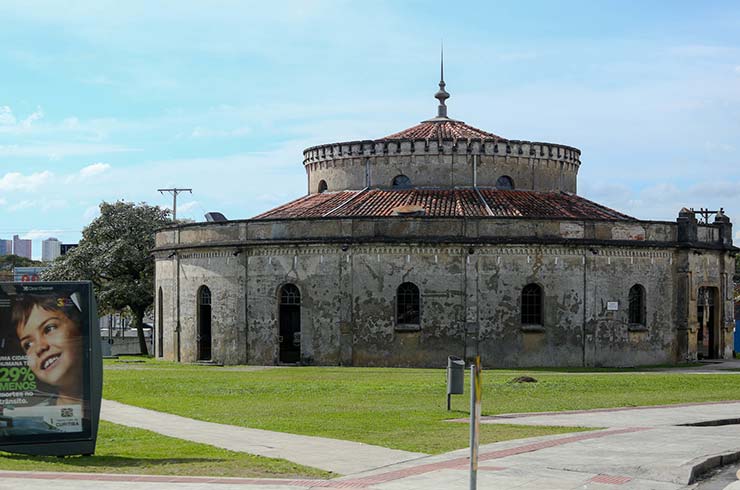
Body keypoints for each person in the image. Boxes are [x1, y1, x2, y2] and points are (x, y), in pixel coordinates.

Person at [11, 294, 83, 406]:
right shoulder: (32, 417)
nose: (39, 348)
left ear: (79, 327)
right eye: (28, 345)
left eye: (49, 328)